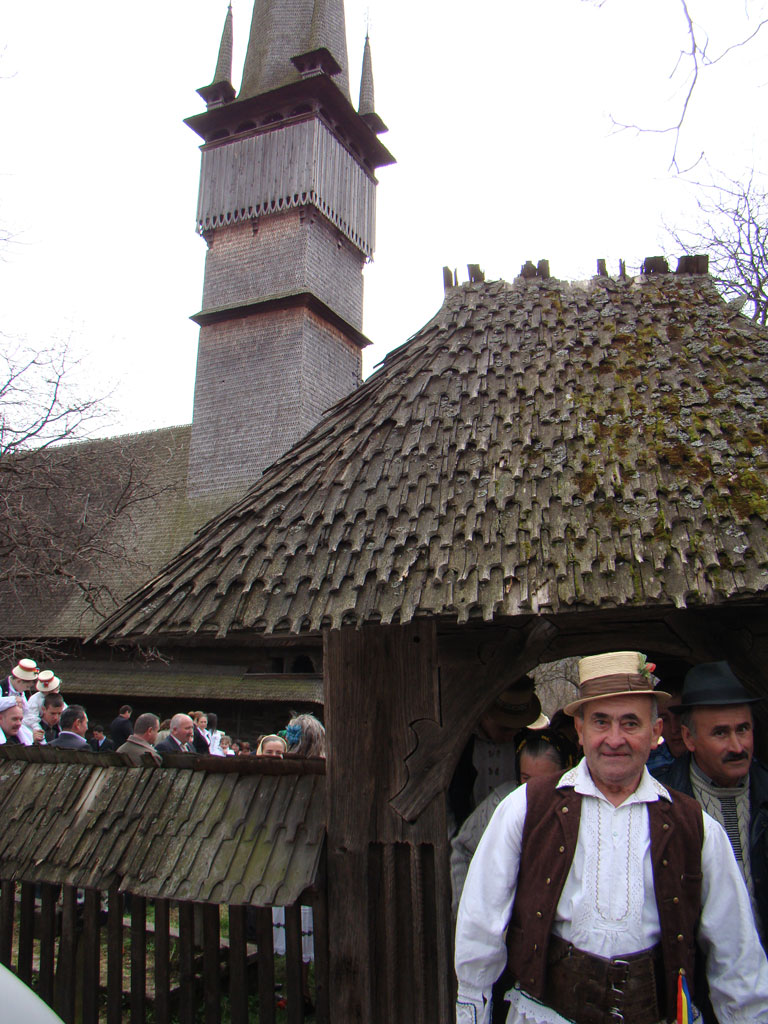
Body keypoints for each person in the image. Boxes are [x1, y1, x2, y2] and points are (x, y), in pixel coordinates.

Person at [455, 650, 768, 1024]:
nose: (614, 739)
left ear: (655, 734)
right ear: (581, 731)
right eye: (601, 722)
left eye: (630, 723)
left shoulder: (695, 827)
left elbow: (737, 958)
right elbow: (480, 924)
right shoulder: (525, 808)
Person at [654, 661, 768, 946]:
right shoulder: (661, 801)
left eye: (743, 729)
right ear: (689, 738)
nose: (737, 746)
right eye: (720, 733)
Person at [451, 728, 576, 919]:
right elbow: (463, 849)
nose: (532, 789)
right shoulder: (501, 802)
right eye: (526, 778)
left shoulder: (578, 808)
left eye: (544, 780)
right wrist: (465, 909)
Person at [448, 681, 548, 832]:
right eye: (504, 729)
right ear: (485, 716)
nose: (511, 734)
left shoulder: (525, 743)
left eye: (516, 728)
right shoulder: (461, 747)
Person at [646, 678, 685, 773]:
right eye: (664, 719)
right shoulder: (646, 765)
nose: (674, 728)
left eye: (679, 717)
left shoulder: (711, 761)